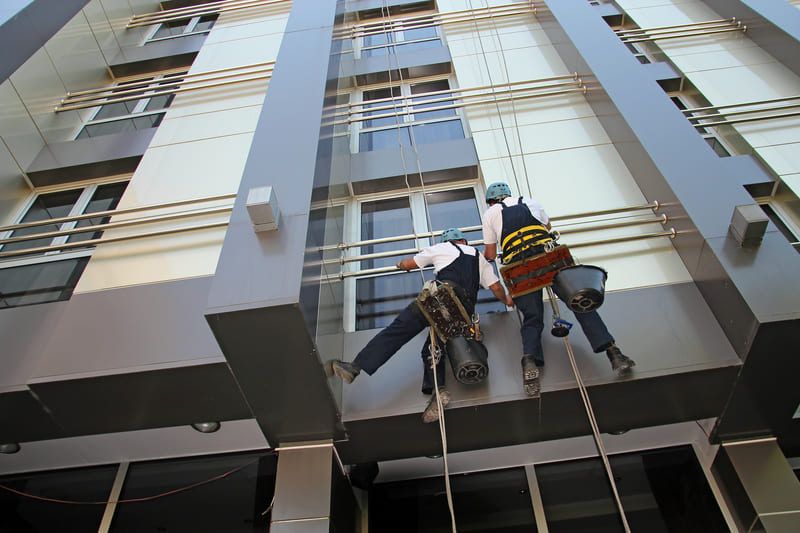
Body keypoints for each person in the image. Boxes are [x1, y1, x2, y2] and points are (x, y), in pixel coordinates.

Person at [330, 228, 513, 423]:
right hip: (462, 314)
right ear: (464, 241)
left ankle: (354, 367)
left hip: (441, 300)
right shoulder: (479, 258)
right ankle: (438, 391)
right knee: (432, 350)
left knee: (397, 331)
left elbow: (411, 263)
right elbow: (495, 287)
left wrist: (401, 264)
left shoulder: (442, 247)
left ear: (448, 241)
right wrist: (508, 300)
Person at [481, 182, 635, 398]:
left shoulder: (490, 214)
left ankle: (529, 363)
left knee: (532, 318)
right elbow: (547, 227)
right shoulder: (530, 202)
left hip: (521, 267)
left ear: (490, 201)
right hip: (550, 258)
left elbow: (490, 252)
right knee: (579, 302)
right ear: (509, 194)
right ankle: (614, 353)